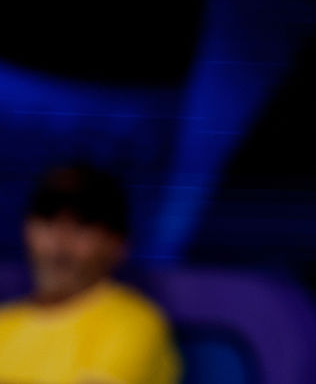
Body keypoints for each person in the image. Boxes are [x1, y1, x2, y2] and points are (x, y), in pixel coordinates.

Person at [0, 163, 182, 384]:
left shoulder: (134, 323)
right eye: (47, 218)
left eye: (82, 224)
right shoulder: (5, 322)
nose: (60, 242)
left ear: (117, 244)